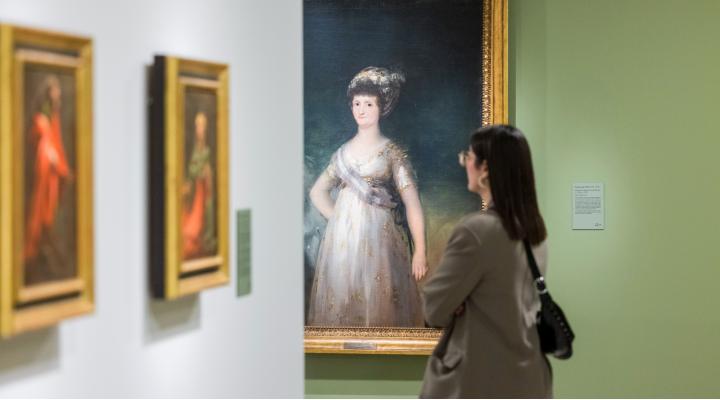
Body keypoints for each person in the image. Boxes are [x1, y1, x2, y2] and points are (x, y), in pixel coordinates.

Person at [420, 125, 552, 398]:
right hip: (529, 376)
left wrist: (461, 302)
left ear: (485, 169)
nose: (464, 163)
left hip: (478, 378)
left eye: (468, 156)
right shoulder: (535, 232)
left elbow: (434, 308)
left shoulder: (476, 230)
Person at [306, 66, 428, 327]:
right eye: (356, 103)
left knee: (379, 301)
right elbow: (317, 192)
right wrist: (339, 220)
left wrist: (420, 251)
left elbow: (412, 202)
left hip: (381, 242)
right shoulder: (342, 154)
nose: (361, 110)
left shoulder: (392, 153)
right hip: (343, 244)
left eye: (368, 104)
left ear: (381, 108)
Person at [24, 75, 72, 266]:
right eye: (55, 90)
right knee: (42, 214)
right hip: (44, 176)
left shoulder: (52, 117)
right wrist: (60, 168)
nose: (58, 94)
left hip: (51, 176)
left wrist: (62, 169)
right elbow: (48, 151)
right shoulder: (41, 121)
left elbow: (55, 147)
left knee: (49, 215)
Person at [182, 111, 216, 259]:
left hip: (204, 189)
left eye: (202, 126)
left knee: (206, 210)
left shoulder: (207, 149)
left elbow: (208, 168)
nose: (200, 129)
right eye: (198, 126)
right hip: (196, 188)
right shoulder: (194, 148)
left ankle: (205, 237)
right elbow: (192, 168)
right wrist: (197, 173)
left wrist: (207, 173)